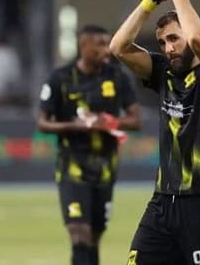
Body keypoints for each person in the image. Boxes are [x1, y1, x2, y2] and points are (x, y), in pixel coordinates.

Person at [109, 0, 200, 265]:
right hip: (163, 202)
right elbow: (118, 47)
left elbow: (196, 37)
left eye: (173, 39)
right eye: (163, 41)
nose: (168, 48)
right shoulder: (163, 72)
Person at [37, 24, 141, 265]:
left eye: (108, 44)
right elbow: (43, 123)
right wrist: (77, 126)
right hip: (72, 167)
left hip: (105, 167)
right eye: (101, 45)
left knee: (94, 235)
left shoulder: (117, 77)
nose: (107, 50)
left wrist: (110, 122)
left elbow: (135, 120)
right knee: (79, 232)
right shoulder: (60, 79)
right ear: (84, 46)